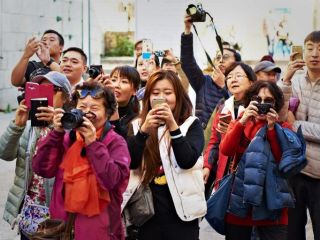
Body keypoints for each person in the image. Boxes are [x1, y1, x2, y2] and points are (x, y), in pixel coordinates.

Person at [32, 81, 131, 240]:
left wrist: (93, 144)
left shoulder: (115, 142)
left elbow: (113, 182)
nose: (86, 114)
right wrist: (56, 133)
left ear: (107, 113)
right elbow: (42, 169)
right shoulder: (66, 138)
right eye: (82, 108)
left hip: (99, 231)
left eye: (94, 108)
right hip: (62, 228)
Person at [125, 70, 206, 239]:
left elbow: (187, 160)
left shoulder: (191, 125)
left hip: (183, 213)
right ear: (147, 98)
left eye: (168, 93)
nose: (162, 97)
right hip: (147, 213)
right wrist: (143, 131)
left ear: (178, 96)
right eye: (155, 93)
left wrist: (172, 125)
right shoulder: (137, 125)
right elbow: (130, 162)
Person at [0, 71, 71, 240]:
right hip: (30, 209)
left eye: (52, 90)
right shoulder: (30, 126)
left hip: (56, 212)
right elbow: (5, 154)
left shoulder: (71, 126)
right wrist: (16, 125)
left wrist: (57, 127)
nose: (46, 95)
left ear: (67, 97)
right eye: (40, 90)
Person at [219, 81, 294, 240]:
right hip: (241, 204)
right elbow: (226, 150)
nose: (262, 104)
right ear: (249, 102)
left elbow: (285, 163)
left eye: (268, 101)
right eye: (257, 99)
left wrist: (273, 129)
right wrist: (242, 122)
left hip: (272, 207)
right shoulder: (240, 122)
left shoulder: (284, 127)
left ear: (276, 104)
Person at [279, 30, 320, 240]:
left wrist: (295, 126)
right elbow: (279, 115)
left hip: (319, 174)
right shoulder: (294, 82)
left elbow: (290, 123)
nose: (314, 54)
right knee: (292, 232)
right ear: (302, 52)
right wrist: (285, 79)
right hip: (294, 170)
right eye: (310, 48)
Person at [203, 62, 257, 198]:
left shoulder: (256, 108)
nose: (233, 79)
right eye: (229, 77)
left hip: (249, 173)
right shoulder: (223, 107)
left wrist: (233, 130)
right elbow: (214, 141)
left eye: (239, 76)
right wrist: (207, 166)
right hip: (224, 172)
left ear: (251, 82)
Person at [181, 14, 241, 129]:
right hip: (204, 139)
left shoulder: (243, 84)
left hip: (229, 138)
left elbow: (239, 110)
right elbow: (187, 62)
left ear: (237, 63)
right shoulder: (204, 81)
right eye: (218, 57)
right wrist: (188, 30)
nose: (221, 60)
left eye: (226, 57)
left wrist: (224, 86)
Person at [109, 65, 141, 137]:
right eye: (113, 80)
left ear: (135, 91)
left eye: (124, 81)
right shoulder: (100, 112)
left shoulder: (136, 122)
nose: (116, 85)